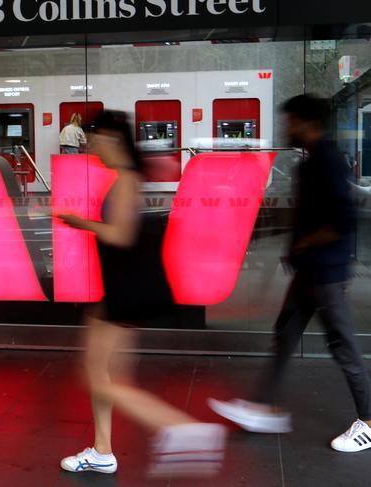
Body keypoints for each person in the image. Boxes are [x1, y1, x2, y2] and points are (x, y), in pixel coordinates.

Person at [58, 111, 226, 478]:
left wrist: (78, 221)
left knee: (96, 376)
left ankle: (183, 429)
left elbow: (120, 235)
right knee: (107, 375)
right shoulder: (127, 177)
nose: (90, 143)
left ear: (112, 140)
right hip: (120, 292)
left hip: (123, 295)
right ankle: (102, 450)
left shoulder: (125, 180)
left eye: (95, 136)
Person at [209, 94, 371, 453]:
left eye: (291, 121)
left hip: (326, 273)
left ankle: (369, 421)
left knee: (343, 344)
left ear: (306, 122)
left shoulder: (326, 161)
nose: (287, 128)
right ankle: (264, 407)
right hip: (310, 270)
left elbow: (342, 220)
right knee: (284, 336)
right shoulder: (312, 162)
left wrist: (306, 243)